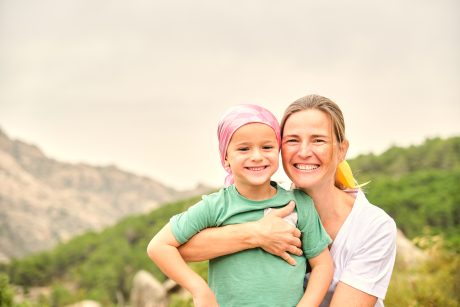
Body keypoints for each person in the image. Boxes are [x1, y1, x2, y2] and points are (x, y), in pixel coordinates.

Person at [178, 95, 397, 307]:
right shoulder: (267, 201)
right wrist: (257, 234)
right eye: (292, 140)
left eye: (318, 140)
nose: (303, 152)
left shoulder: (374, 227)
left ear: (341, 150)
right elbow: (180, 248)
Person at [147, 104, 334, 307]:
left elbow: (322, 265)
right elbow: (159, 246)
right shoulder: (215, 206)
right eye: (244, 148)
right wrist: (198, 289)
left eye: (267, 147)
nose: (257, 156)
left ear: (278, 151)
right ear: (225, 157)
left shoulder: (299, 204)